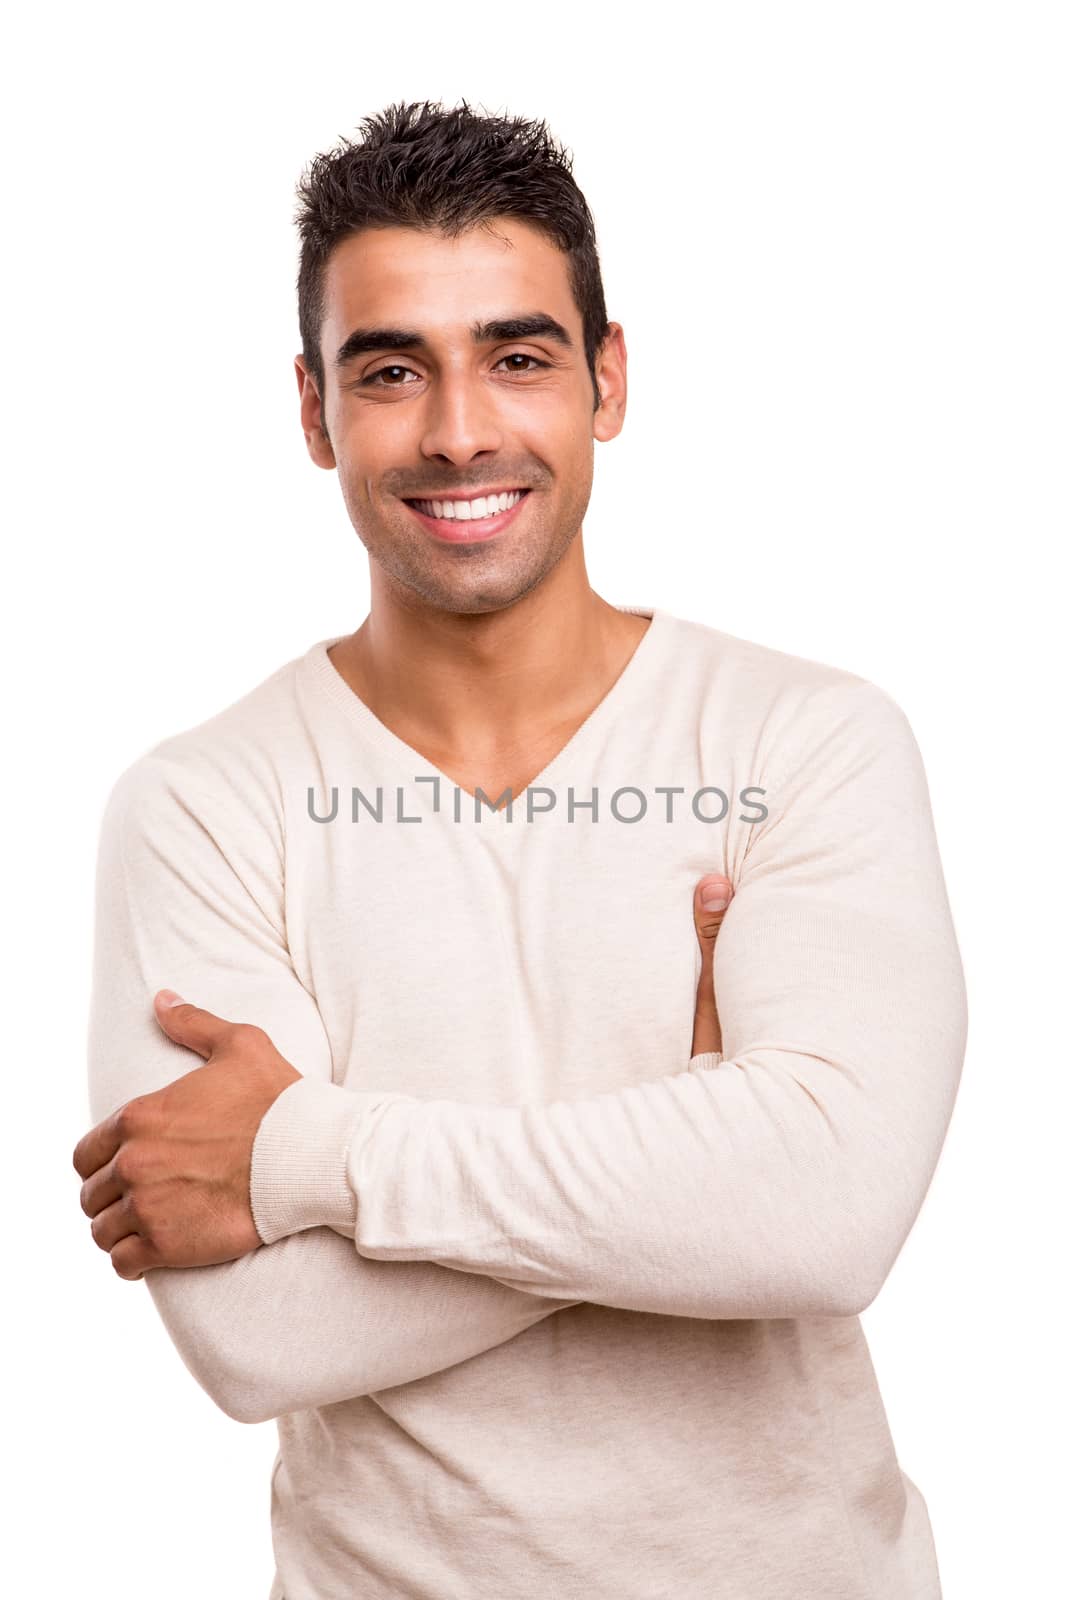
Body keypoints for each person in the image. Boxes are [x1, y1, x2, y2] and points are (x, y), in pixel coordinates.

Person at [73, 100, 967, 1600]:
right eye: (391, 370)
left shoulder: (805, 741)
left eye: (520, 354)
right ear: (314, 412)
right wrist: (692, 1141)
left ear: (607, 381)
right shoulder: (202, 801)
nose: (461, 430)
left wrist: (303, 1152)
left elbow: (826, 1216)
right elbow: (259, 1340)